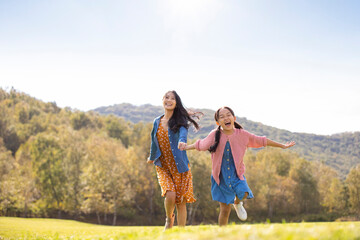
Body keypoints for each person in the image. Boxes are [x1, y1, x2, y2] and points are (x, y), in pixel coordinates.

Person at [184, 106, 295, 226]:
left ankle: (237, 203)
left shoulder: (242, 134)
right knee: (225, 209)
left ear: (234, 118)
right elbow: (201, 145)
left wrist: (282, 146)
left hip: (236, 175)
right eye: (222, 117)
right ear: (218, 122)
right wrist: (186, 147)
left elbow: (262, 140)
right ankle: (222, 234)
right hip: (220, 178)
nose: (226, 118)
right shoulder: (214, 134)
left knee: (244, 193)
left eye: (228, 115)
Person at [147, 90, 201, 230]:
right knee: (170, 195)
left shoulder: (180, 122)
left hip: (180, 167)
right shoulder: (156, 121)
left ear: (176, 103)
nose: (169, 100)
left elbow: (183, 134)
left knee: (181, 202)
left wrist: (183, 142)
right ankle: (169, 219)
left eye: (172, 98)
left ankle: (181, 233)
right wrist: (151, 157)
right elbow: (154, 141)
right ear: (162, 100)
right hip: (163, 166)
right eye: (166, 97)